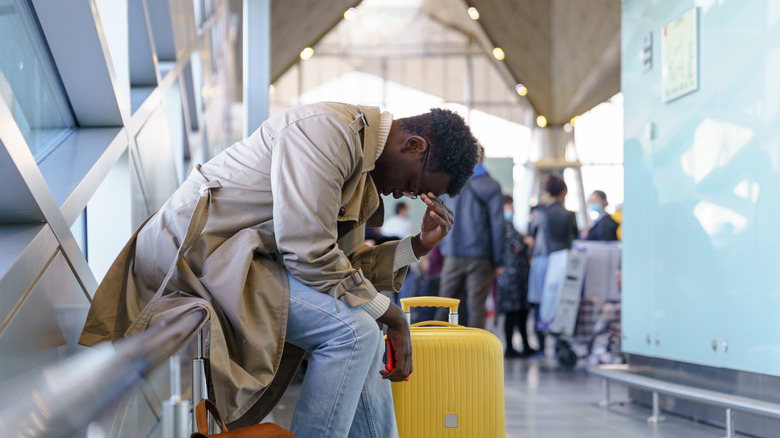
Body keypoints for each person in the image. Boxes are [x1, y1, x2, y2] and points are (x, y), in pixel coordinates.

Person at [78, 102, 479, 437]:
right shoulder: (327, 133)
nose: (405, 194)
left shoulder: (359, 162)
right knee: (355, 332)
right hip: (193, 256)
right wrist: (394, 318)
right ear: (413, 145)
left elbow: (343, 269)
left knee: (364, 331)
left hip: (241, 262)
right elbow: (308, 253)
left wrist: (416, 246)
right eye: (414, 183)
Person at [435, 147, 505, 329]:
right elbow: (498, 225)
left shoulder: (449, 184)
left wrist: (443, 247)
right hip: (481, 257)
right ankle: (474, 354)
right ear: (482, 158)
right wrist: (498, 261)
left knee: (445, 304)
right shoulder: (491, 185)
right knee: (476, 308)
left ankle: (434, 350)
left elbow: (439, 217)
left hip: (452, 254)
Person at [526, 175, 578, 355]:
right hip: (562, 264)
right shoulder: (570, 215)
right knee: (560, 303)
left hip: (541, 262)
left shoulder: (539, 213)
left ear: (547, 192)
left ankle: (541, 346)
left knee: (539, 304)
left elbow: (531, 239)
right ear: (564, 192)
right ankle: (559, 344)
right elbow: (574, 241)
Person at [496, 195, 533, 358]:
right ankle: (510, 348)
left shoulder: (507, 225)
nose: (511, 209)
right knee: (513, 312)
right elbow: (519, 246)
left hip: (516, 275)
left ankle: (524, 345)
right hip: (511, 276)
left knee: (521, 312)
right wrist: (527, 242)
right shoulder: (505, 226)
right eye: (508, 206)